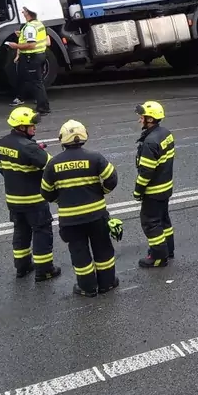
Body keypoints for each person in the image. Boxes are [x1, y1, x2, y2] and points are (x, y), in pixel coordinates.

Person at [41, 120, 119, 297]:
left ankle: (87, 287)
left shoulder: (53, 164)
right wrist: (101, 192)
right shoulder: (95, 157)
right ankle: (107, 284)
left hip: (70, 219)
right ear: (84, 136)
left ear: (62, 139)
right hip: (97, 215)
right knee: (103, 248)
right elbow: (111, 179)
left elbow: (46, 192)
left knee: (79, 251)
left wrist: (61, 199)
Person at [0, 106, 60, 281]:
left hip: (13, 200)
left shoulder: (2, 143)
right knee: (41, 231)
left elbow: (2, 169)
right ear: (21, 127)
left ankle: (22, 267)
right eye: (31, 125)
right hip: (34, 200)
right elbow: (51, 168)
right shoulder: (30, 148)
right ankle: (44, 270)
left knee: (21, 231)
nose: (35, 127)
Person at [133, 101, 176, 268]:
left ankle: (158, 257)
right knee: (163, 220)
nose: (139, 120)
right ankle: (168, 250)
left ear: (150, 119)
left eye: (142, 117)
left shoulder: (150, 142)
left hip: (153, 191)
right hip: (165, 187)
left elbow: (145, 173)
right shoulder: (166, 133)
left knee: (150, 222)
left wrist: (138, 191)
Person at [7, 8, 50, 115]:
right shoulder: (38, 24)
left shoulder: (30, 27)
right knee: (38, 82)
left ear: (29, 14)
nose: (23, 13)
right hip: (40, 55)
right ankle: (44, 106)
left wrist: (16, 46)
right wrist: (21, 34)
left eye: (24, 11)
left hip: (32, 57)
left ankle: (43, 108)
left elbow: (31, 44)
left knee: (36, 83)